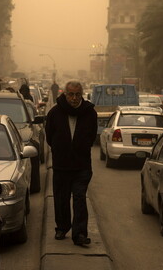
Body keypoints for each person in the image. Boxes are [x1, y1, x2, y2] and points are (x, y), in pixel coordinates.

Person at [45, 80, 97, 246]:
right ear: (65, 94)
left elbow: (92, 135)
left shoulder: (89, 112)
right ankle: (62, 227)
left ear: (81, 95)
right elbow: (49, 136)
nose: (74, 98)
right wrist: (61, 150)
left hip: (82, 165)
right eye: (71, 94)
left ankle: (80, 234)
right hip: (61, 165)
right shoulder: (55, 112)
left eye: (77, 94)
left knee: (79, 198)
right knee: (61, 199)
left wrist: (80, 148)